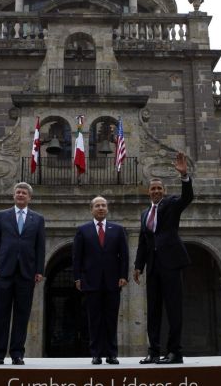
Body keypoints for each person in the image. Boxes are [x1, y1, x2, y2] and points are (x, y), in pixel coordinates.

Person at [133, 151, 193, 365]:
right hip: (154, 266)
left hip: (172, 263)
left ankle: (175, 352)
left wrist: (184, 176)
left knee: (173, 308)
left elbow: (188, 198)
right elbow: (143, 241)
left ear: (164, 191)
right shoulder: (144, 214)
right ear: (149, 192)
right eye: (153, 189)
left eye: (159, 188)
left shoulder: (171, 205)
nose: (156, 191)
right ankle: (153, 351)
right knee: (153, 309)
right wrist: (138, 266)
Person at [0, 182, 46, 365]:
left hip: (26, 273)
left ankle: (17, 354)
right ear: (14, 196)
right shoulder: (1, 216)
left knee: (22, 315)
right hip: (3, 271)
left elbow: (40, 247)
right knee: (1, 313)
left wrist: (39, 270)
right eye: (18, 192)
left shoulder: (38, 219)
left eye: (24, 193)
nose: (21, 195)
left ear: (30, 198)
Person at [72, 196, 129, 365]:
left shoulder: (118, 230)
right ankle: (96, 353)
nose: (101, 208)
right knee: (94, 319)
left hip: (113, 281)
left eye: (104, 205)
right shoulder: (83, 230)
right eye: (97, 206)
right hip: (91, 281)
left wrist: (123, 276)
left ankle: (112, 354)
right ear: (91, 209)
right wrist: (77, 277)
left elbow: (124, 256)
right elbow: (77, 257)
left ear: (108, 209)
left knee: (111, 318)